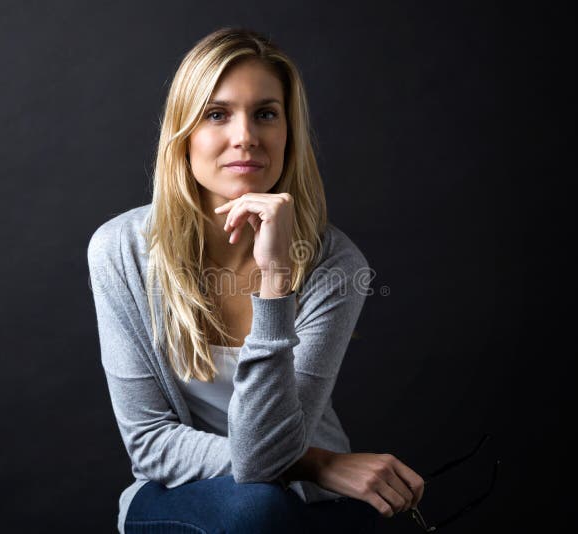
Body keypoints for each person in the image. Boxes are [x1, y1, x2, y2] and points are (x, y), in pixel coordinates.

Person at [87, 27, 425, 534]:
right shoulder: (121, 250)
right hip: (178, 493)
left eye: (266, 113)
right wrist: (320, 464)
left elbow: (266, 455)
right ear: (184, 134)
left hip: (311, 502)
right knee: (257, 509)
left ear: (289, 133)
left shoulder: (335, 263)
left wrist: (277, 278)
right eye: (217, 114)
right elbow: (152, 442)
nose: (245, 135)